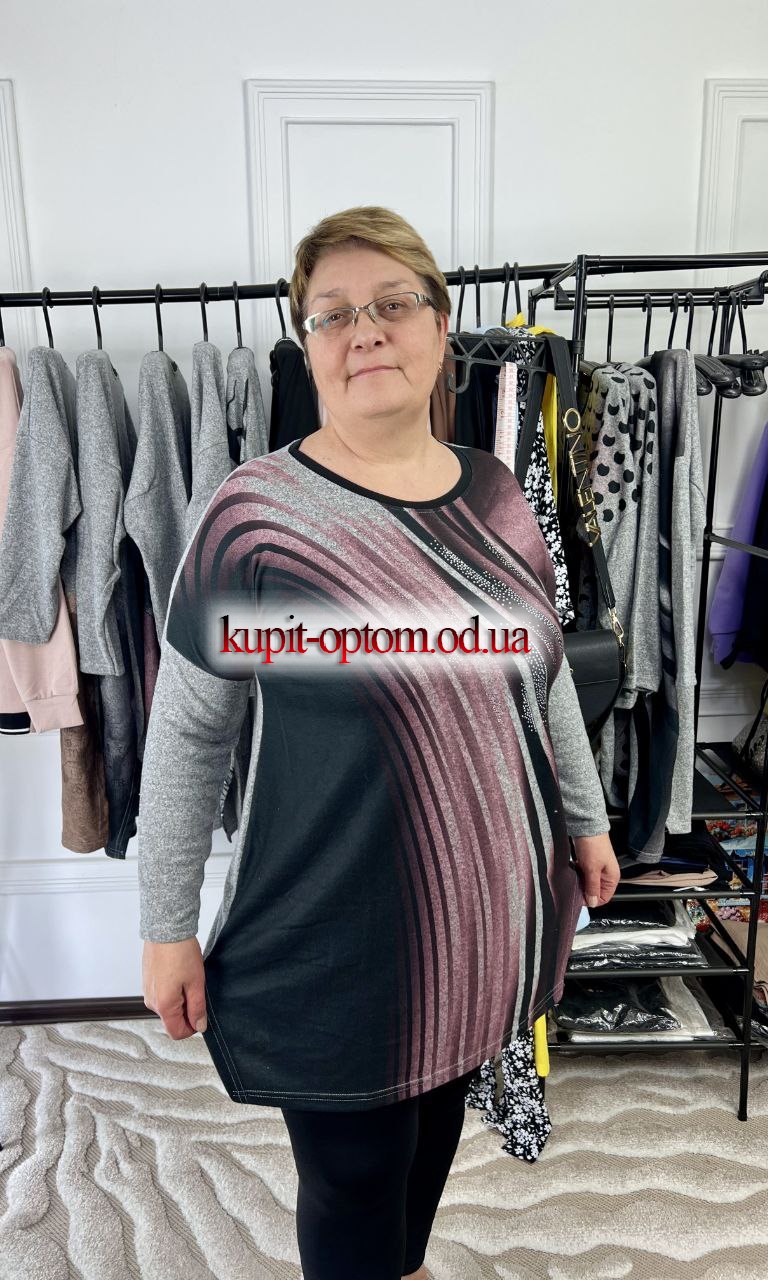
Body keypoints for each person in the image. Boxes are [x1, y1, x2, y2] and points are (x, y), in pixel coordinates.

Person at [139, 205, 620, 1280]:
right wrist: (166, 925)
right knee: (355, 1172)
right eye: (334, 313)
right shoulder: (254, 517)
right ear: (306, 344)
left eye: (393, 303)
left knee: (433, 1126)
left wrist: (584, 819)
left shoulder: (497, 496)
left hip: (484, 904)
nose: (365, 330)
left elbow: (540, 676)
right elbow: (189, 732)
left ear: (441, 327)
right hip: (328, 924)